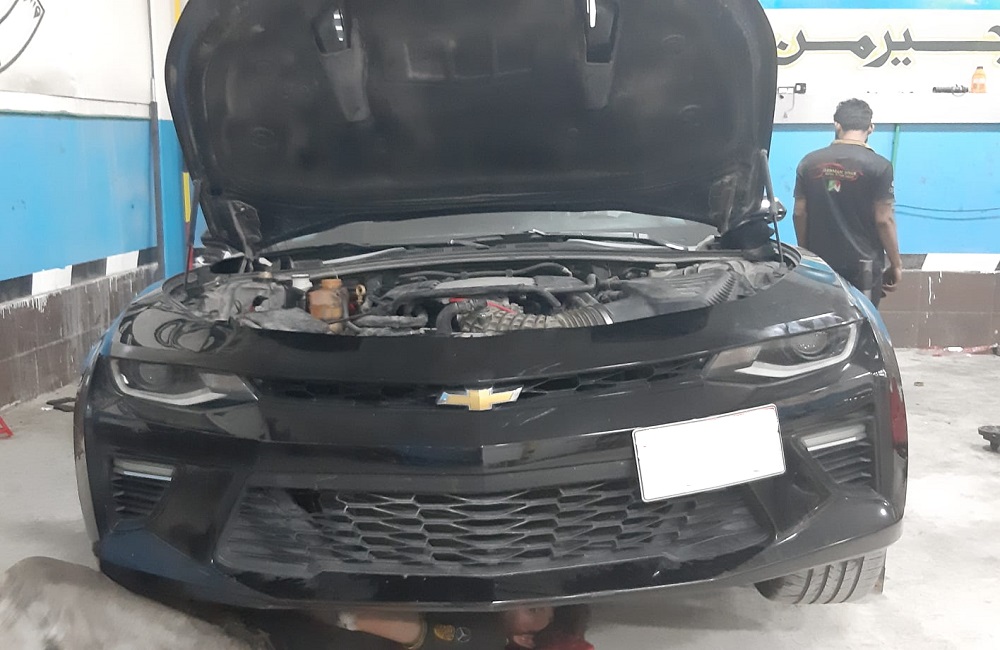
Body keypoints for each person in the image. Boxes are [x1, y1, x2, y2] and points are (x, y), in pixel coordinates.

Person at [792, 98, 903, 307]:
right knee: (862, 320)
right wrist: (896, 264)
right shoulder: (880, 166)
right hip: (864, 267)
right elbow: (884, 220)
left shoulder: (809, 162)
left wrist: (806, 254)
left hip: (821, 264)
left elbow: (799, 213)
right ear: (870, 128)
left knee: (822, 318)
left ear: (837, 125)